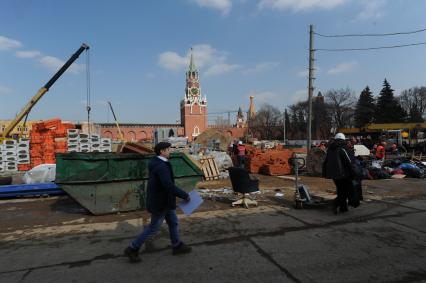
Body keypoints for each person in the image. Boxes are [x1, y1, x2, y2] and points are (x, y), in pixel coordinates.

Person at [124, 142, 192, 263]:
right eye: (168, 149)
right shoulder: (161, 166)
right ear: (162, 151)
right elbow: (168, 185)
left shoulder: (158, 162)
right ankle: (132, 248)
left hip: (165, 200)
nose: (170, 151)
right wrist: (184, 195)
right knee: (154, 227)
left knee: (173, 222)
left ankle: (176, 245)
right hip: (160, 202)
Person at [322, 133, 354, 214]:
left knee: (340, 190)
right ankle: (335, 204)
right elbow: (349, 161)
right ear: (343, 139)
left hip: (333, 174)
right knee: (346, 191)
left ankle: (343, 208)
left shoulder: (330, 149)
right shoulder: (343, 148)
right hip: (343, 174)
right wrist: (353, 171)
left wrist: (325, 173)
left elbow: (325, 161)